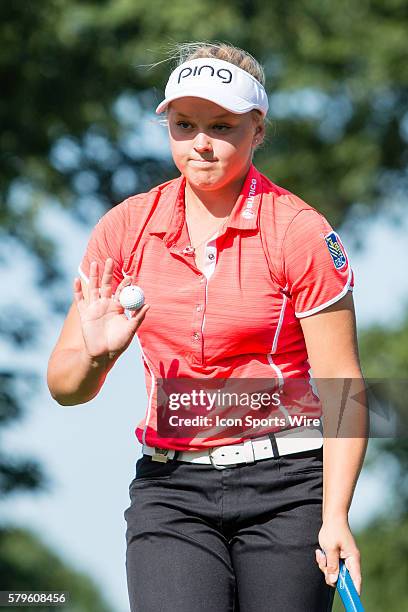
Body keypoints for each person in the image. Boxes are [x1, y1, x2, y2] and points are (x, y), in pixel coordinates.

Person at [47, 42, 368, 612]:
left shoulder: (299, 232)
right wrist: (97, 357)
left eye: (222, 126)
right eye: (183, 124)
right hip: (171, 491)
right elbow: (65, 388)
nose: (200, 142)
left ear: (257, 129)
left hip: (288, 487)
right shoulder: (125, 229)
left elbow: (344, 385)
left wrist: (336, 516)